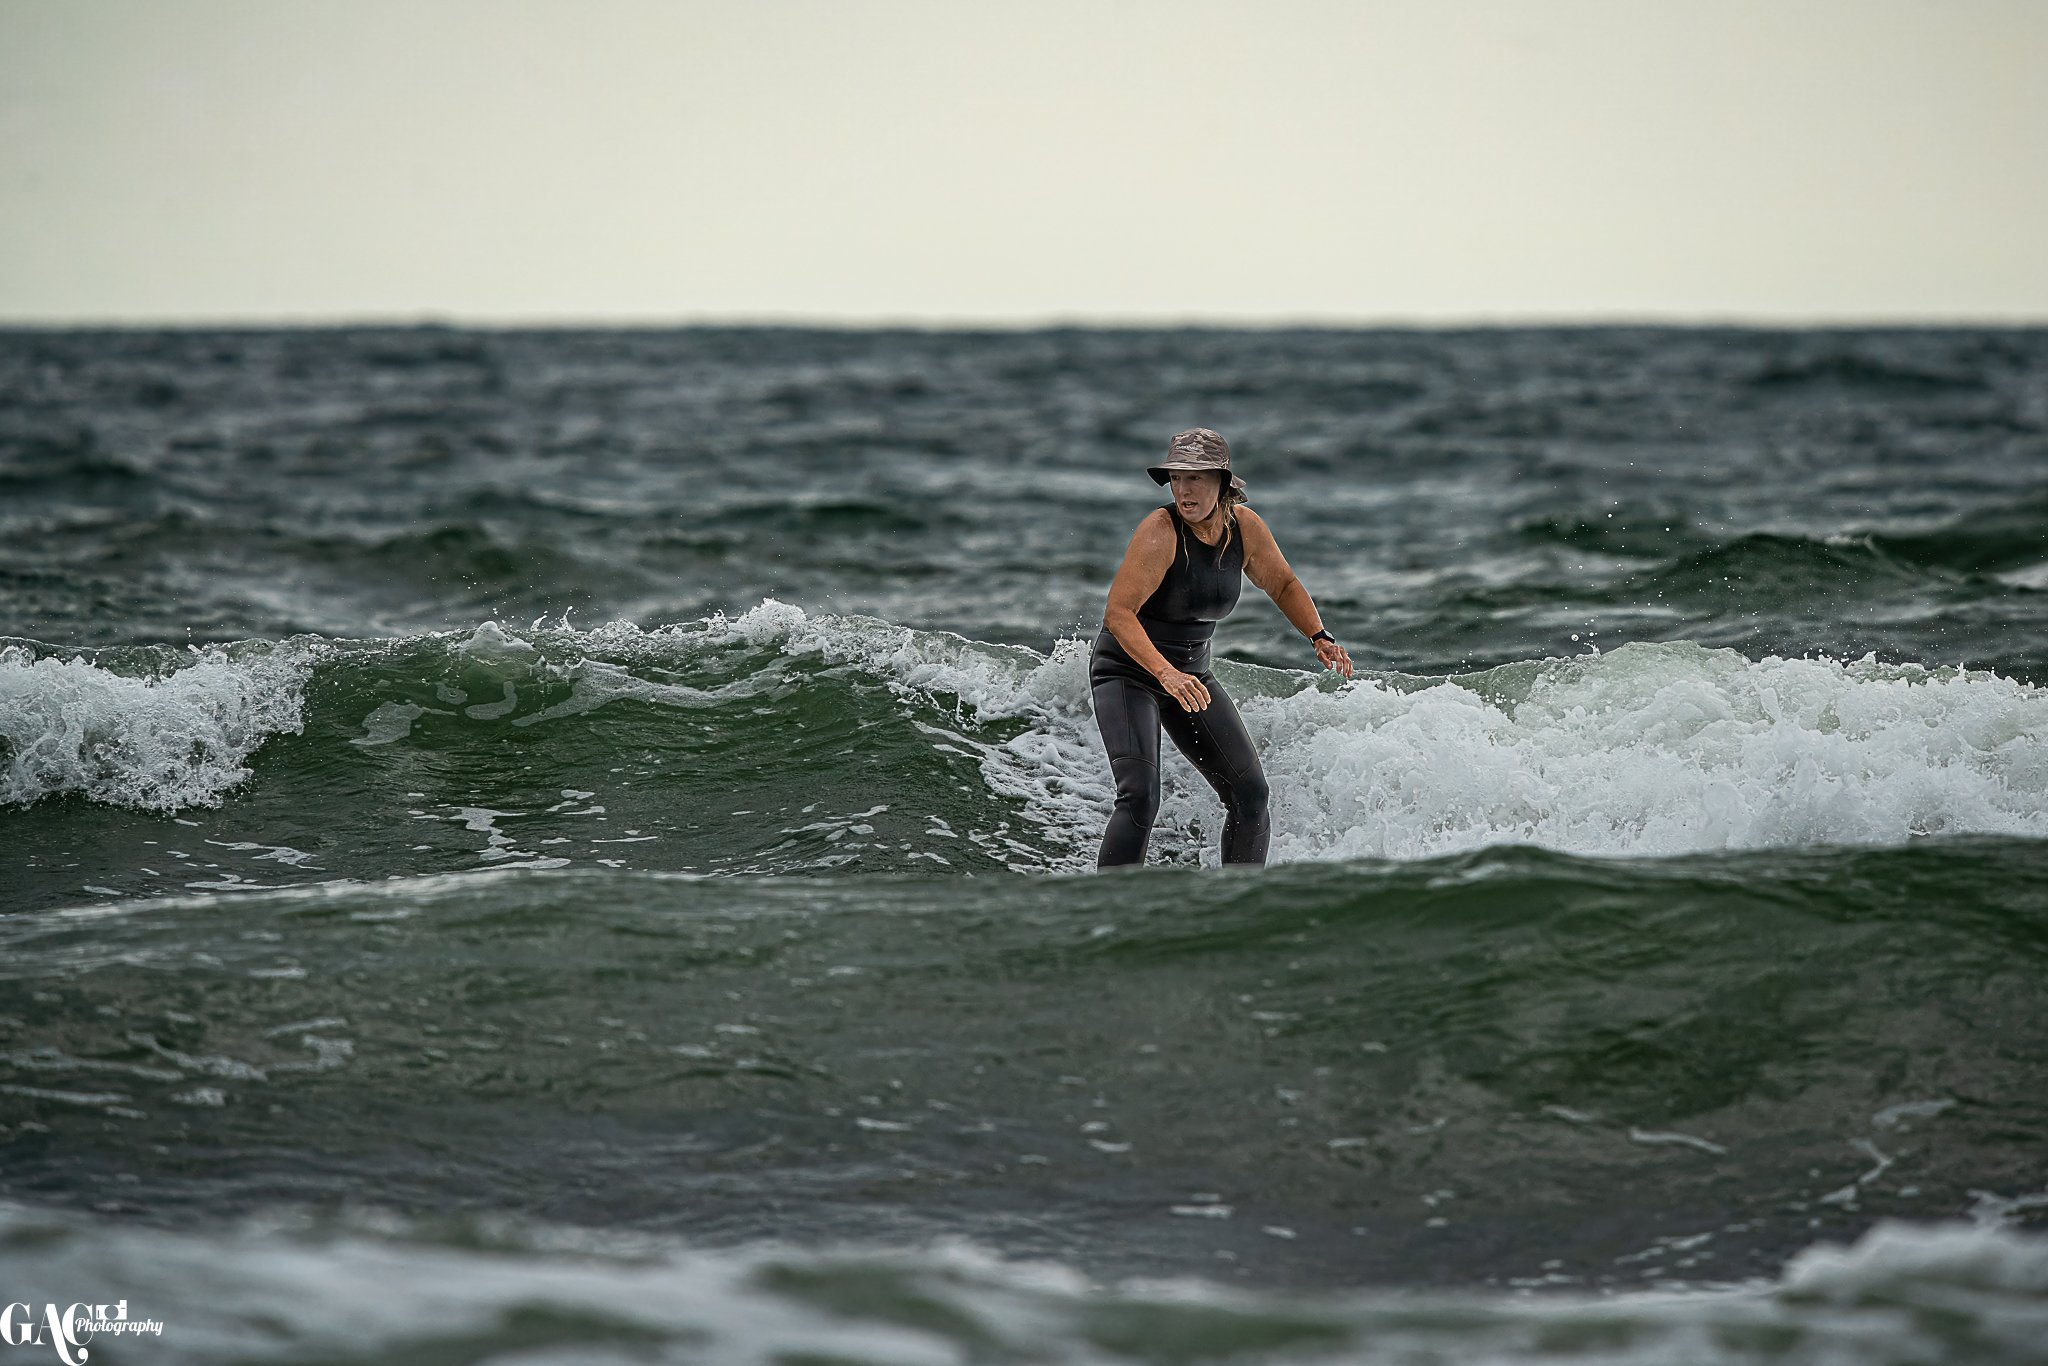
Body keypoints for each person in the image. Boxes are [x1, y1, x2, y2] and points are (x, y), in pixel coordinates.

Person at [1091, 428, 1353, 869]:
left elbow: (1283, 583)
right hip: (1128, 672)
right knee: (1139, 795)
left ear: (1223, 482)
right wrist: (1165, 673)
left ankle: (1241, 907)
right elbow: (1118, 614)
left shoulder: (1245, 529)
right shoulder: (1160, 531)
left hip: (1190, 677)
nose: (1184, 489)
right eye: (1176, 478)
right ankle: (1112, 912)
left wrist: (1319, 635)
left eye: (1195, 477)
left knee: (1250, 794)